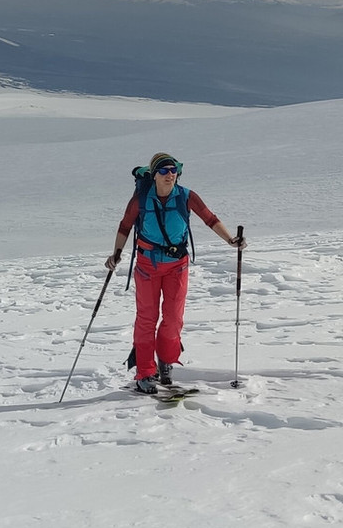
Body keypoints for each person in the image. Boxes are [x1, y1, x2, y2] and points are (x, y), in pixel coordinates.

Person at [104, 152, 246, 394]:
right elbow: (125, 226)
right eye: (164, 171)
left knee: (173, 318)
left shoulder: (186, 196)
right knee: (147, 318)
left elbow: (210, 218)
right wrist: (116, 254)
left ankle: (166, 361)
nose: (170, 175)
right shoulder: (141, 199)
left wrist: (231, 240)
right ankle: (146, 372)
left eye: (174, 170)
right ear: (154, 175)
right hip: (147, 265)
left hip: (177, 265)